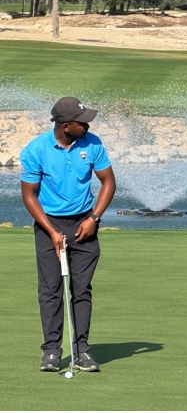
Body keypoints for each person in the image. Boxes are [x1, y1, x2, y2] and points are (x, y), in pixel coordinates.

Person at [20, 97, 116, 371]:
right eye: (82, 121)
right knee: (50, 290)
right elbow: (29, 196)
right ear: (65, 126)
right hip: (49, 223)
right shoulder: (36, 150)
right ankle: (51, 352)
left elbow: (108, 181)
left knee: (81, 290)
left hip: (85, 224)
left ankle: (82, 351)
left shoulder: (93, 143)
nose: (88, 125)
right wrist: (51, 231)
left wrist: (93, 218)